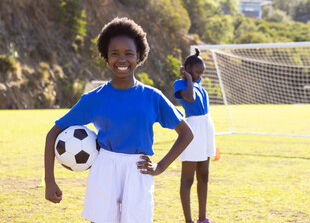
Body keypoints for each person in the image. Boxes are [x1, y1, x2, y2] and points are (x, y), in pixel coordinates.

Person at [44, 17, 194, 223]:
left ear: (139, 55)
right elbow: (53, 133)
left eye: (128, 53)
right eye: (114, 53)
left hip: (139, 168)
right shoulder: (94, 98)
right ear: (106, 56)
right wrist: (50, 181)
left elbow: (186, 134)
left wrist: (160, 167)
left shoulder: (153, 97)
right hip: (105, 165)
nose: (121, 59)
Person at [173, 48, 216, 223]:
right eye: (197, 72)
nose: (200, 75)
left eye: (202, 73)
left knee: (204, 176)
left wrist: (194, 78)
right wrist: (189, 78)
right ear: (187, 68)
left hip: (206, 128)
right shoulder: (180, 84)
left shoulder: (198, 84)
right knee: (188, 179)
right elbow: (189, 98)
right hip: (192, 130)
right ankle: (189, 221)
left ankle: (202, 218)